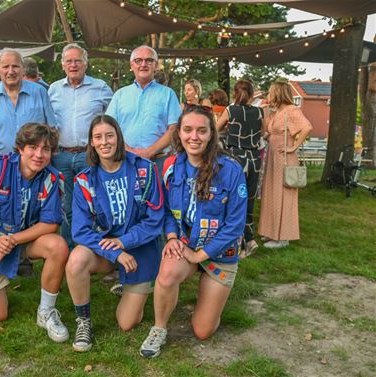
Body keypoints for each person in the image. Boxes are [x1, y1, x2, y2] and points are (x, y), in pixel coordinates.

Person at [139, 106, 247, 358]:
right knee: (165, 275)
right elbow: (165, 210)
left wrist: (202, 256)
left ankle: (210, 297)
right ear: (179, 133)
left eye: (201, 130)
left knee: (202, 330)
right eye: (188, 130)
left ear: (212, 134)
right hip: (185, 244)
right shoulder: (169, 166)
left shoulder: (231, 170)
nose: (194, 137)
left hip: (220, 253)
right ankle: (159, 327)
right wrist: (173, 237)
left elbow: (235, 225)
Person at [0, 123, 70, 343]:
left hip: (24, 240)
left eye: (45, 149)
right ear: (20, 148)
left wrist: (10, 241)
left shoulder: (52, 178)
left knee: (58, 245)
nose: (39, 155)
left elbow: (50, 224)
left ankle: (46, 312)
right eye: (33, 147)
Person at [66, 115, 163, 352]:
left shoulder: (145, 169)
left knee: (127, 322)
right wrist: (116, 252)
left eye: (109, 135)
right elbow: (80, 230)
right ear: (91, 142)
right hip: (108, 250)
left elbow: (155, 220)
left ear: (119, 137)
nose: (104, 142)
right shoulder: (84, 181)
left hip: (140, 247)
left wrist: (124, 241)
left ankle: (134, 285)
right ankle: (84, 321)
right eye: (98, 137)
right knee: (76, 259)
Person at [48, 43, 113, 248]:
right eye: (69, 61)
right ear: (63, 65)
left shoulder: (101, 87)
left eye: (77, 60)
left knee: (95, 202)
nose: (73, 65)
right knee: (67, 205)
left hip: (90, 155)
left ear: (86, 63)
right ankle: (69, 247)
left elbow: (113, 119)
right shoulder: (53, 89)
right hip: (61, 156)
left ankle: (94, 247)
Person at [106, 45, 181, 172]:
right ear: (131, 65)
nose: (143, 64)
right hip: (126, 159)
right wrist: (130, 151)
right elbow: (109, 128)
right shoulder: (119, 95)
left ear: (156, 65)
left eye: (149, 60)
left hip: (159, 161)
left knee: (161, 193)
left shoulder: (168, 94)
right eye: (138, 60)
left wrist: (149, 152)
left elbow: (174, 128)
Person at [0, 49, 56, 155]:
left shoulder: (40, 92)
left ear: (22, 69)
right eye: (5, 67)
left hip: (34, 164)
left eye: (15, 66)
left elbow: (52, 129)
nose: (11, 71)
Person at [258, 81, 312, 248]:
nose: (268, 94)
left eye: (271, 92)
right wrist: (264, 111)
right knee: (271, 194)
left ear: (278, 93)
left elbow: (307, 127)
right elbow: (265, 132)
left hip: (284, 158)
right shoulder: (276, 112)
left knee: (283, 195)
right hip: (273, 156)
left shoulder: (292, 110)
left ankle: (283, 237)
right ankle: (271, 232)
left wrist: (293, 146)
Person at [216, 80, 264, 257]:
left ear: (235, 93)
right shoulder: (259, 112)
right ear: (251, 94)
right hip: (253, 159)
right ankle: (250, 239)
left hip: (236, 159)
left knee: (235, 201)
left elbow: (214, 129)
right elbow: (263, 134)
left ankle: (241, 244)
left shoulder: (231, 110)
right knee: (249, 200)